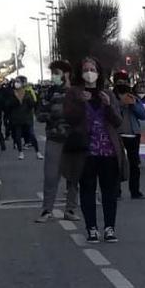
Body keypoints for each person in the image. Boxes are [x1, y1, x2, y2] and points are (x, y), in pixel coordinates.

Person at [63, 57, 126, 242]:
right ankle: (91, 228)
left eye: (93, 69)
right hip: (85, 150)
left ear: (99, 73)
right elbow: (69, 118)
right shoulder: (74, 93)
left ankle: (109, 228)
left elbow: (118, 122)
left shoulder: (107, 94)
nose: (89, 73)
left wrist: (108, 106)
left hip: (108, 150)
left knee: (109, 191)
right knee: (88, 190)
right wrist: (81, 104)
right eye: (86, 69)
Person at [35, 59, 81, 223]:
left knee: (73, 176)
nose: (54, 76)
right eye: (52, 73)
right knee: (51, 175)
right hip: (54, 138)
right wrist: (53, 114)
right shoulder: (48, 92)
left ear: (66, 74)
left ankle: (70, 209)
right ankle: (47, 209)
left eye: (57, 73)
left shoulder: (76, 92)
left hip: (73, 139)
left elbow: (81, 114)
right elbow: (40, 114)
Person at [113, 73, 145, 200]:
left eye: (124, 82)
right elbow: (109, 113)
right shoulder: (111, 97)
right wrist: (120, 104)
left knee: (134, 164)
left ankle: (135, 191)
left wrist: (133, 104)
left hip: (132, 134)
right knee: (116, 164)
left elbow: (143, 115)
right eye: (119, 81)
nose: (122, 84)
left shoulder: (134, 97)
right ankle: (116, 191)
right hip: (117, 134)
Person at [4, 77, 39, 155]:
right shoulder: (12, 93)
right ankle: (18, 145)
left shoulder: (28, 92)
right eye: (16, 82)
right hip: (16, 118)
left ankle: (28, 142)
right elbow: (7, 105)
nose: (16, 83)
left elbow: (33, 103)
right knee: (17, 134)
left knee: (30, 132)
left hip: (27, 117)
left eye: (18, 82)